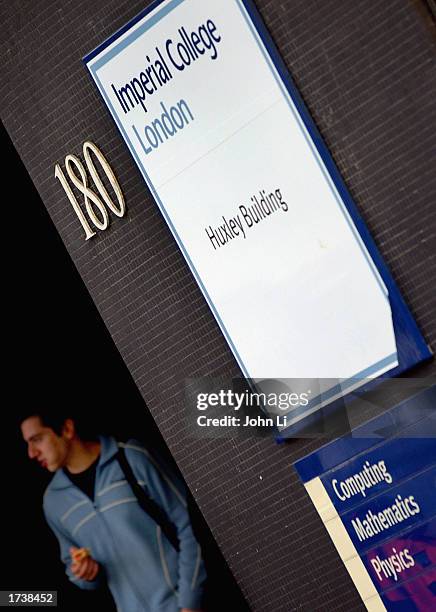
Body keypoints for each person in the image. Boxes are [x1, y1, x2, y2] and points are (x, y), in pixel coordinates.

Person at [20, 409, 206, 612]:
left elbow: (192, 525)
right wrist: (85, 573)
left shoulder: (132, 458)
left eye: (37, 439)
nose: (31, 453)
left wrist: (190, 603)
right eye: (27, 443)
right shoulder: (53, 502)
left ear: (67, 429)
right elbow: (72, 567)